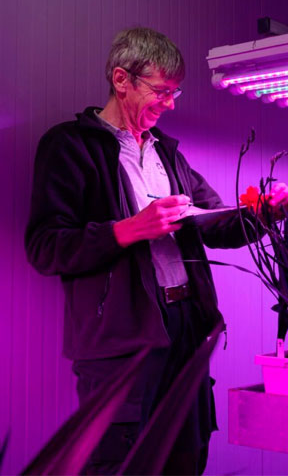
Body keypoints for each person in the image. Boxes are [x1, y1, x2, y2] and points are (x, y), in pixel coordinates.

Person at [25, 27, 253, 475]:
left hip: (186, 326)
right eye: (161, 91)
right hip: (121, 340)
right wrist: (128, 230)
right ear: (121, 79)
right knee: (120, 461)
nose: (171, 104)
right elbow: (45, 248)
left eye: (174, 92)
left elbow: (217, 226)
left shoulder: (168, 153)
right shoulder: (69, 146)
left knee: (187, 454)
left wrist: (266, 211)